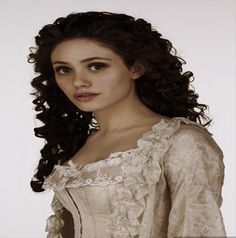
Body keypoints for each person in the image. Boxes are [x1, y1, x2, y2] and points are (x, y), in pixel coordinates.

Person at [29, 11, 226, 238]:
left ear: (136, 68)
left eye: (96, 66)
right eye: (64, 69)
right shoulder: (81, 144)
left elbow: (199, 230)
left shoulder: (181, 142)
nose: (78, 82)